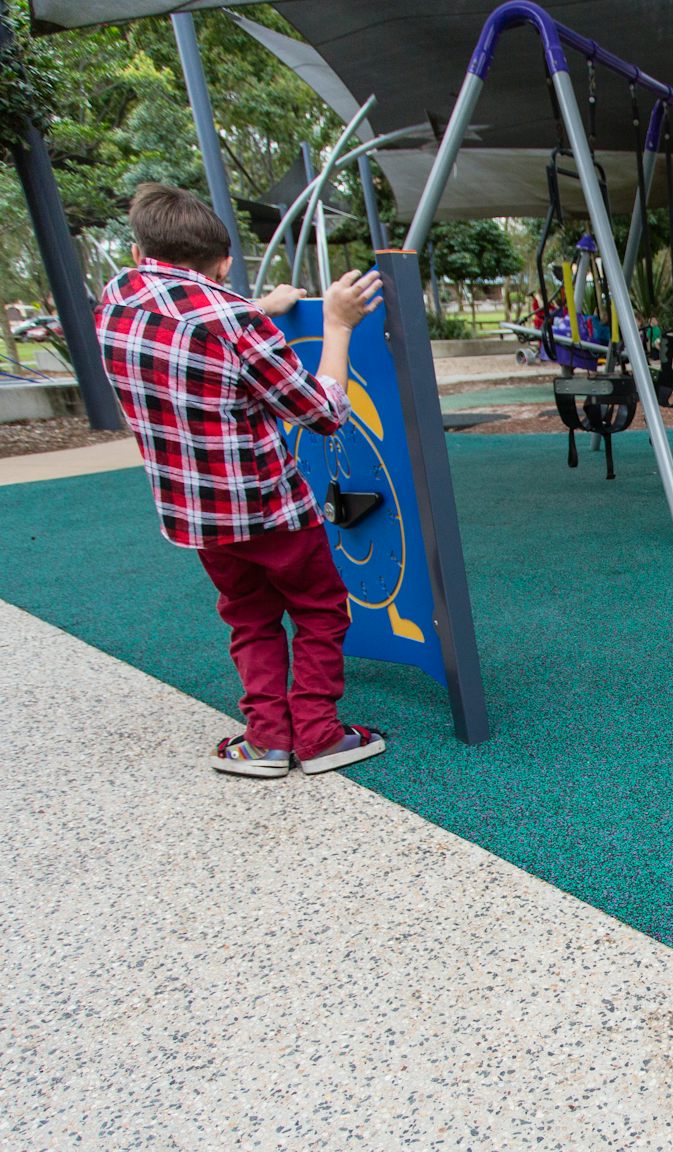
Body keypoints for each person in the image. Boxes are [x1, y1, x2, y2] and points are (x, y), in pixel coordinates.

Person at [95, 183, 388, 779]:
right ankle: (320, 734)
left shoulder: (116, 299)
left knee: (247, 613)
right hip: (268, 508)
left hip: (195, 514)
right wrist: (336, 326)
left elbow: (189, 321)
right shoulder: (234, 319)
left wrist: (257, 308)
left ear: (137, 250)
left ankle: (267, 741)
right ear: (223, 262)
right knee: (320, 608)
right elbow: (323, 412)